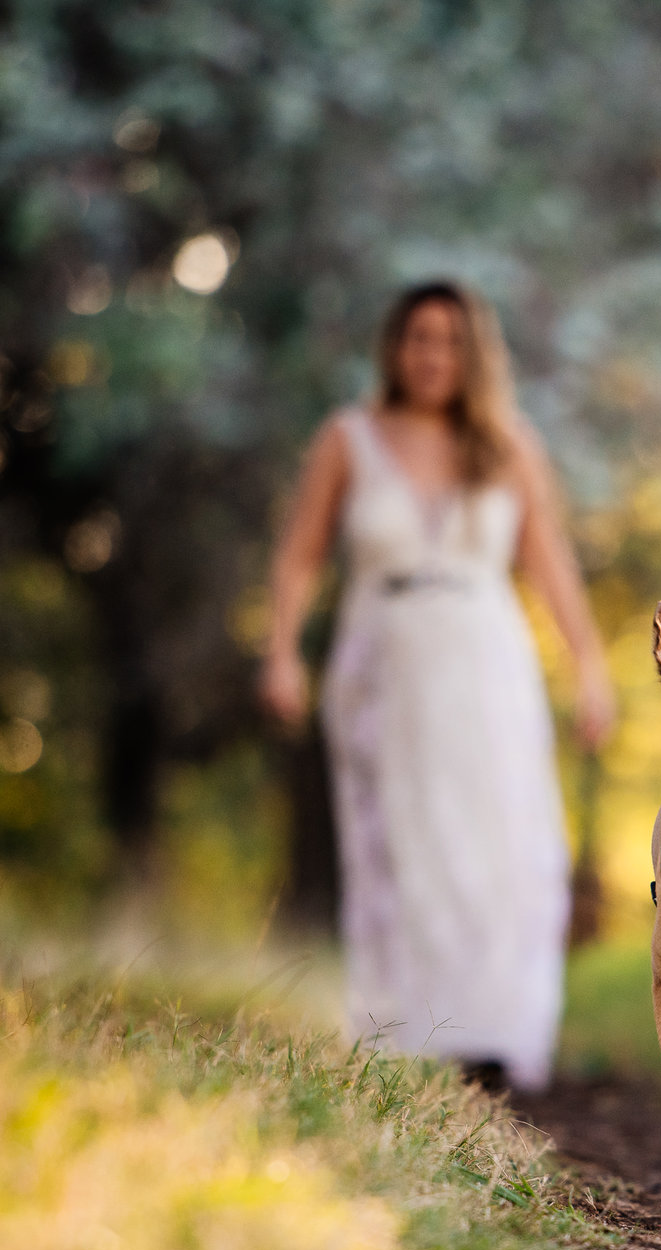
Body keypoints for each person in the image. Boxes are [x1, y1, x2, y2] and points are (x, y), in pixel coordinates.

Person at [261, 281, 614, 1093]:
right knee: (399, 841)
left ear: (473, 354)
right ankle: (405, 1030)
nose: (433, 356)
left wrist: (590, 667)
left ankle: (492, 1028)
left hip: (486, 659)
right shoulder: (348, 438)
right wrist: (280, 651)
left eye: (450, 341)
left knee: (498, 841)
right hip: (383, 663)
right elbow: (298, 556)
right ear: (395, 347)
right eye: (419, 339)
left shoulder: (509, 445)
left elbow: (548, 562)